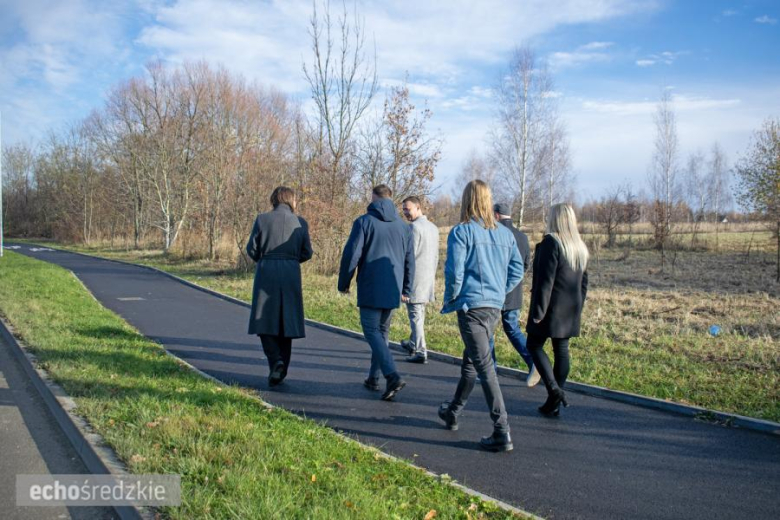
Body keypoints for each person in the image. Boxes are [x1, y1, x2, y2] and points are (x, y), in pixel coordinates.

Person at [438, 180, 524, 452]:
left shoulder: (461, 232)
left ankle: (502, 430)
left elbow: (455, 272)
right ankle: (452, 411)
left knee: (484, 366)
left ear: (467, 200)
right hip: (492, 308)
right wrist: (499, 293)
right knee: (473, 361)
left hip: (472, 308)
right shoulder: (504, 234)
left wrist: (452, 298)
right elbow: (517, 271)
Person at [338, 185, 415, 401]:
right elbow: (410, 260)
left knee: (371, 330)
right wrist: (406, 288)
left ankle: (392, 375)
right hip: (392, 287)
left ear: (373, 198)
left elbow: (352, 255)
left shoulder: (364, 222)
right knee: (382, 332)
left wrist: (344, 282)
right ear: (390, 199)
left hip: (371, 286)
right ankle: (373, 378)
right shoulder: (403, 227)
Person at [526, 203, 589, 417]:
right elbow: (584, 282)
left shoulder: (551, 243)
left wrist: (538, 311)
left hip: (551, 308)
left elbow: (546, 281)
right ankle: (552, 403)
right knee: (561, 350)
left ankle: (554, 391)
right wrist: (579, 306)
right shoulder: (578, 246)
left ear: (555, 219)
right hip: (570, 307)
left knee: (533, 344)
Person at [246, 186, 313, 387]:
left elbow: (252, 249)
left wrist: (264, 259)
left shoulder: (262, 219)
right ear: (292, 200)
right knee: (287, 320)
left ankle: (276, 361)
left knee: (263, 318)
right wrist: (292, 261)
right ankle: (281, 367)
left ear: (273, 199)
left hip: (267, 271)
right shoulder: (301, 222)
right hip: (291, 272)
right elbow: (307, 252)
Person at [487, 203, 539, 387]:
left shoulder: (494, 234)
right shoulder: (523, 237)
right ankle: (533, 361)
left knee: (488, 331)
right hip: (514, 292)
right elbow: (525, 265)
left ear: (496, 215)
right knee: (512, 328)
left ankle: (490, 369)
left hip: (495, 290)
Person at [399, 196, 439, 364]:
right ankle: (413, 343)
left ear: (418, 208)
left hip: (415, 280)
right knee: (419, 314)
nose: (405, 212)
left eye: (408, 209)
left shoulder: (413, 228)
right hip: (428, 278)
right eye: (404, 210)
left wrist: (403, 285)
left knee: (415, 315)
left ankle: (421, 351)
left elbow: (409, 257)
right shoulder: (434, 228)